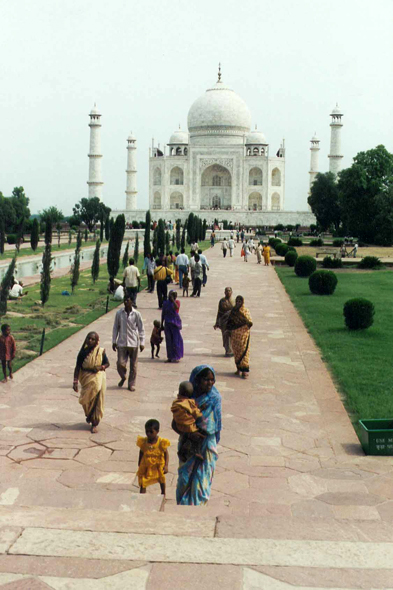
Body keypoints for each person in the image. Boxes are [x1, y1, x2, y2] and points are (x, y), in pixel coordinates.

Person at [175, 365, 222, 505]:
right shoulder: (187, 398)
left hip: (207, 442)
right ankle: (183, 507)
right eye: (206, 380)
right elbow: (175, 422)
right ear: (197, 380)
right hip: (188, 443)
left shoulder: (215, 398)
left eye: (212, 380)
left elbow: (217, 422)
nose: (210, 383)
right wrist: (189, 433)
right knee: (184, 479)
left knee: (202, 479)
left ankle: (197, 508)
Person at [72, 331, 109, 433]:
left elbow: (107, 363)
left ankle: (94, 423)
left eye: (93, 339)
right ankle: (89, 415)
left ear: (97, 341)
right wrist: (75, 381)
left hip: (98, 377)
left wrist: (101, 367)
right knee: (86, 401)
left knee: (97, 399)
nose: (90, 340)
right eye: (89, 338)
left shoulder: (100, 351)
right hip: (86, 378)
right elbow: (77, 367)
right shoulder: (82, 353)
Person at [112, 295, 145, 391]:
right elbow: (115, 328)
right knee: (120, 363)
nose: (126, 302)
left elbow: (141, 329)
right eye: (125, 300)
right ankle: (123, 376)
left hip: (133, 343)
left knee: (133, 365)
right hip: (122, 342)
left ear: (131, 302)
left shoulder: (137, 314)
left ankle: (131, 384)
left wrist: (142, 342)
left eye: (128, 300)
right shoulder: (119, 313)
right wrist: (114, 341)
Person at [171, 381, 207, 461]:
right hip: (188, 426)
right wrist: (201, 409)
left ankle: (182, 451)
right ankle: (194, 451)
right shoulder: (188, 403)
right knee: (198, 437)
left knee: (186, 437)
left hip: (179, 425)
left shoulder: (177, 402)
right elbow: (196, 413)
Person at [137, 419, 170, 495]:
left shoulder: (161, 442)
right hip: (147, 465)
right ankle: (142, 496)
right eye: (147, 431)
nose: (148, 434)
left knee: (161, 479)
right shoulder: (144, 442)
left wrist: (166, 465)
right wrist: (139, 463)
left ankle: (163, 493)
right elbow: (141, 452)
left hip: (158, 465)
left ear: (157, 431)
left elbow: (166, 454)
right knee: (143, 481)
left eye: (151, 432)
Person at [226, 295, 253, 379]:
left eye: (239, 302)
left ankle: (245, 371)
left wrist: (243, 324)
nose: (238, 303)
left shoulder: (246, 311)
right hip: (235, 336)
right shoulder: (233, 311)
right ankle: (238, 369)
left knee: (244, 352)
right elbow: (229, 323)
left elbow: (249, 323)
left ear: (242, 302)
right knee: (237, 353)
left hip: (244, 336)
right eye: (237, 301)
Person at [161, 290, 184, 362]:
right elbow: (163, 313)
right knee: (169, 341)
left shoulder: (177, 302)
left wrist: (173, 301)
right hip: (167, 323)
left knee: (176, 340)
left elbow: (176, 308)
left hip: (175, 324)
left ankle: (176, 356)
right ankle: (170, 357)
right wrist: (162, 324)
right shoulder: (165, 303)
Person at [213, 287, 234, 357]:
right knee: (225, 336)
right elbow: (219, 312)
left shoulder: (234, 301)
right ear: (224, 292)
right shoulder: (222, 301)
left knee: (232, 336)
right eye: (226, 291)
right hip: (224, 321)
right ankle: (227, 350)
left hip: (232, 321)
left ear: (232, 292)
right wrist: (217, 323)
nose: (228, 292)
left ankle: (232, 350)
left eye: (229, 291)